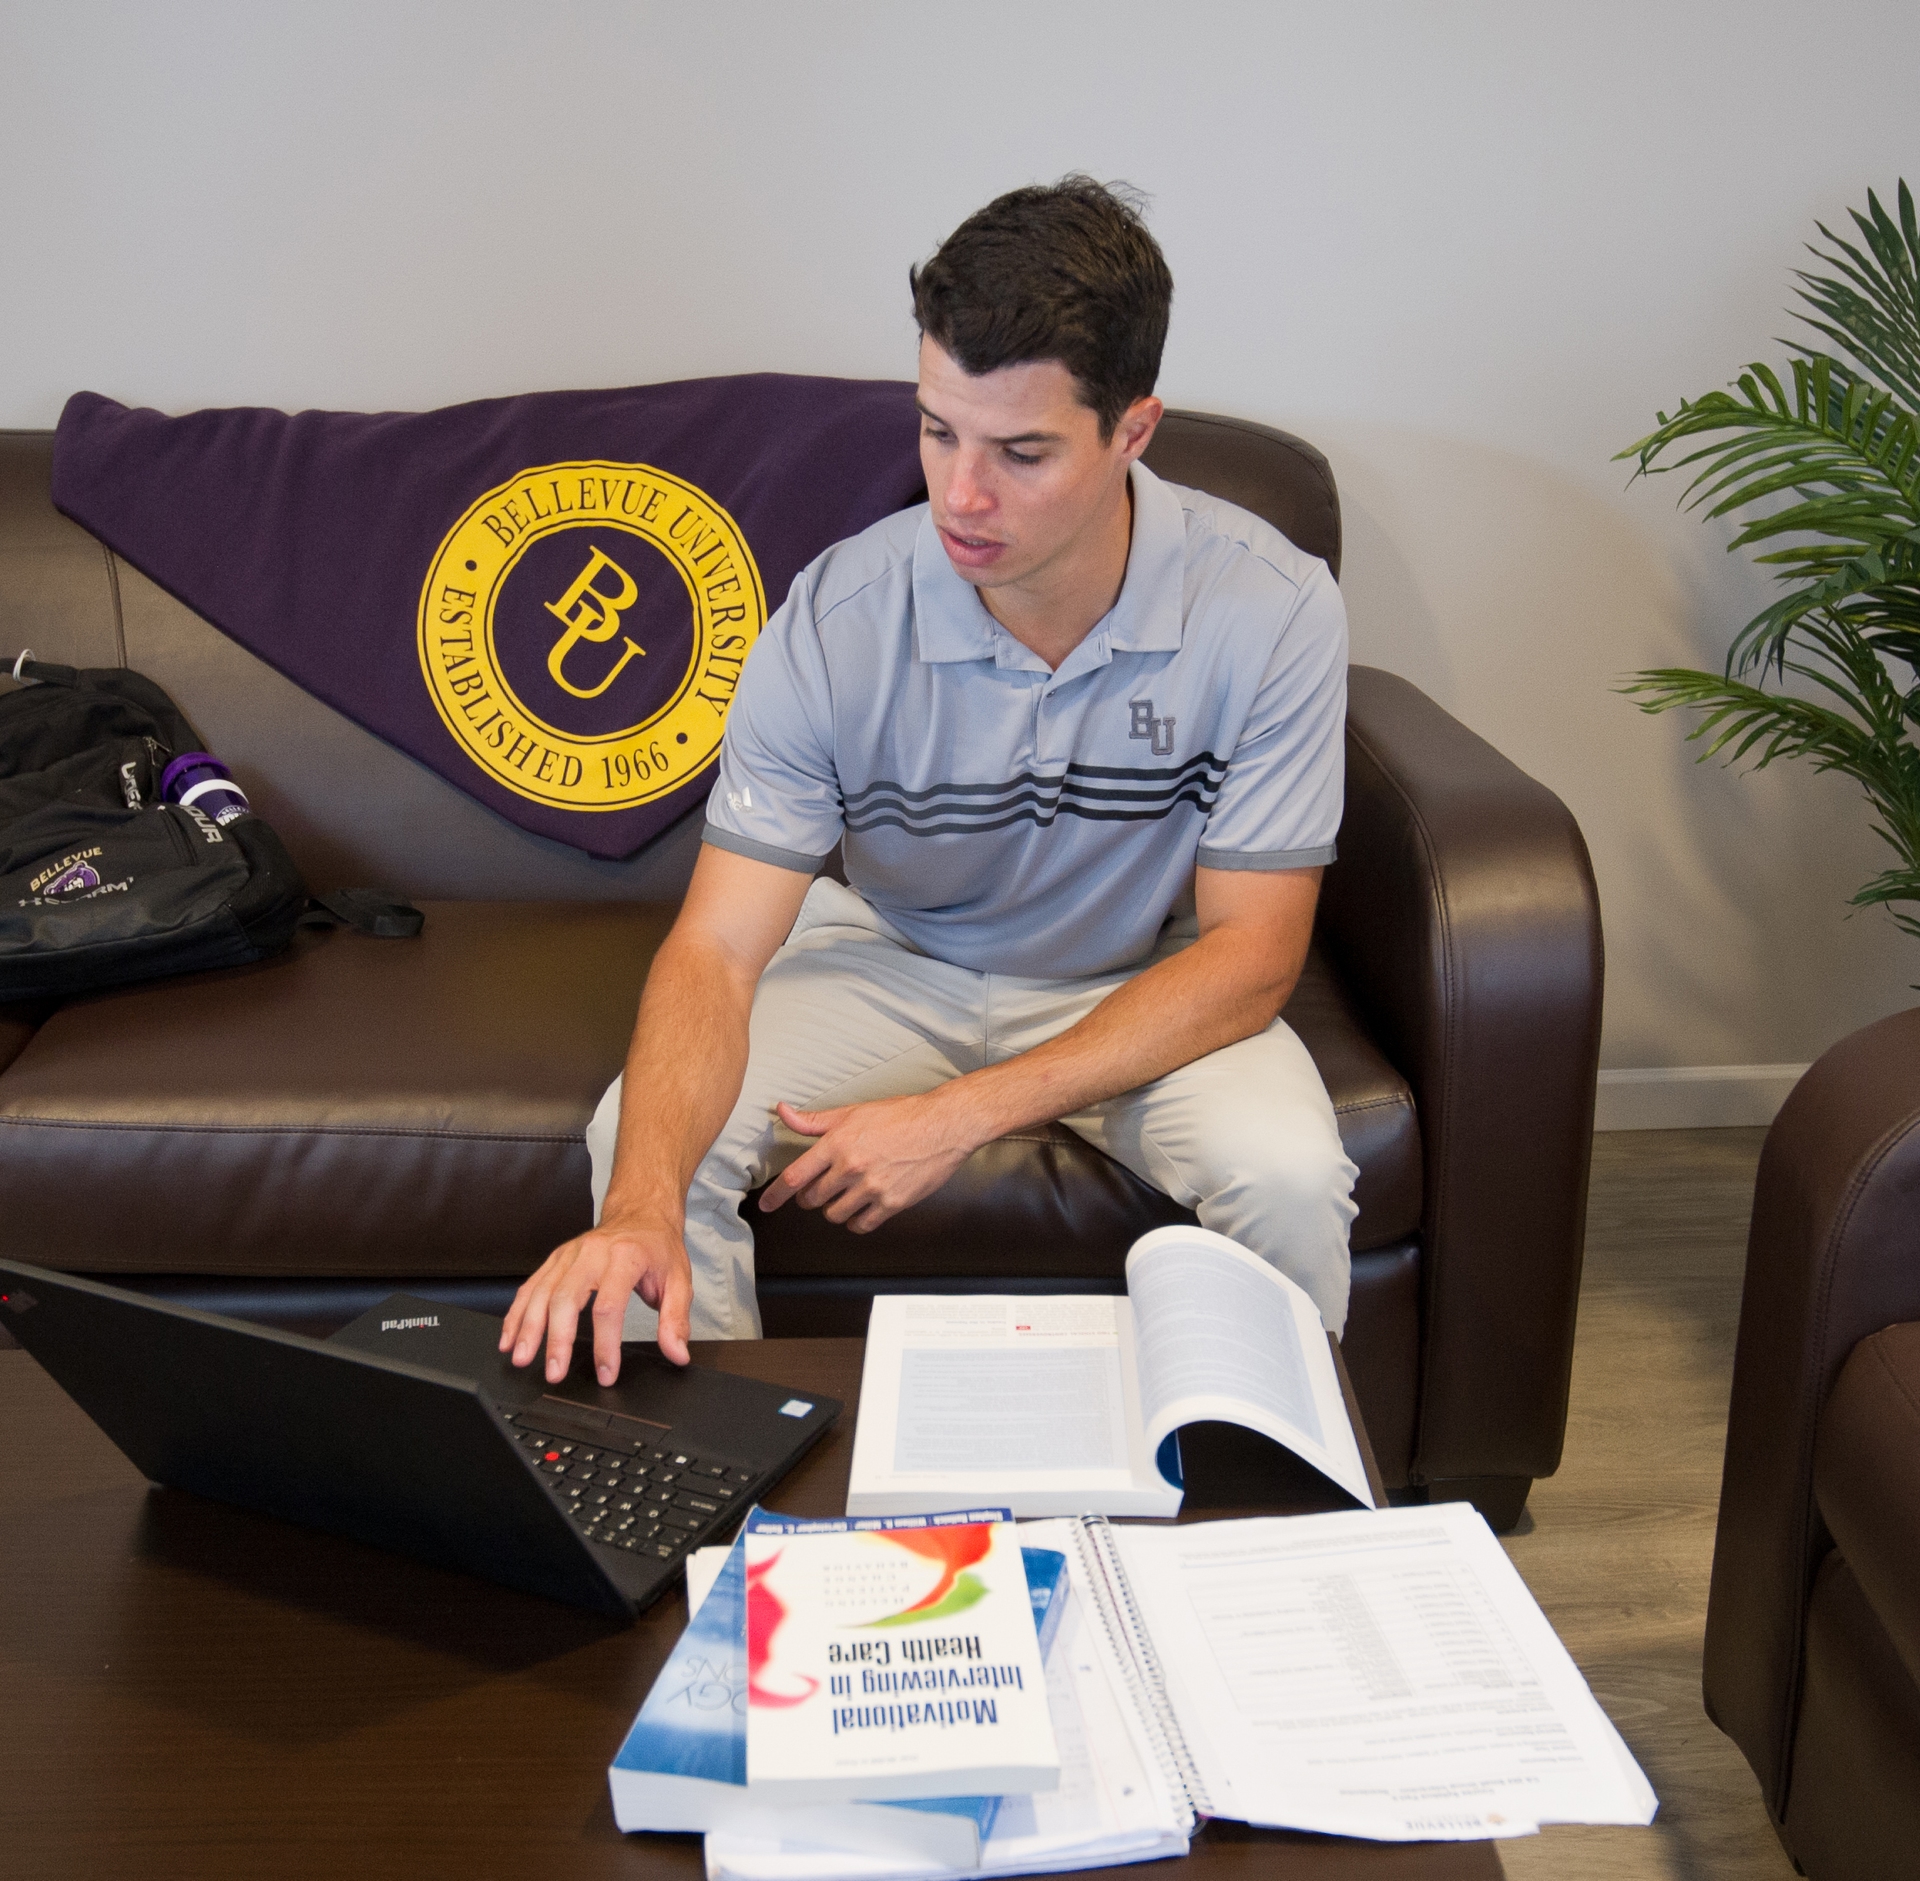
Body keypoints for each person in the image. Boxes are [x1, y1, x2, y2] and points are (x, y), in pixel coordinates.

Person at [501, 176, 1358, 1390]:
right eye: (937, 429)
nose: (961, 495)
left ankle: (1261, 1526)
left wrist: (961, 1115)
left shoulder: (1269, 608)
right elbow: (716, 952)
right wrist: (637, 1205)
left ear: (1133, 432)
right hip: (894, 960)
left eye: (1020, 452)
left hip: (1146, 982)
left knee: (1287, 1178)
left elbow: (1252, 957)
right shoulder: (838, 614)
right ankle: (718, 1516)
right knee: (643, 1155)